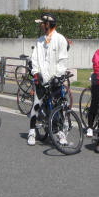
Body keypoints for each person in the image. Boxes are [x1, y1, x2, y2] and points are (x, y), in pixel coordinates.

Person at [27, 13, 69, 146]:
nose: (40, 25)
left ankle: (60, 132)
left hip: (55, 79)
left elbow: (62, 60)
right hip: (41, 79)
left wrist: (58, 76)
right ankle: (32, 131)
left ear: (48, 24)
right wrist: (36, 72)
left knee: (58, 106)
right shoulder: (39, 40)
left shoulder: (60, 39)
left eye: (42, 23)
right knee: (36, 104)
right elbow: (34, 58)